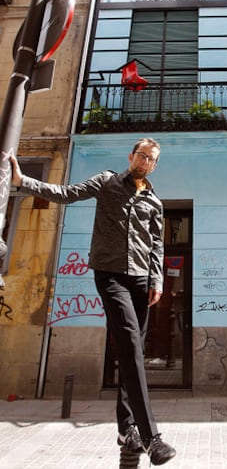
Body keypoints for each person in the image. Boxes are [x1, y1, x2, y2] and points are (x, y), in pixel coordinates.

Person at [10, 138, 176, 468]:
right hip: (110, 274)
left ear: (155, 165)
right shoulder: (107, 182)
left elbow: (157, 244)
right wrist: (22, 182)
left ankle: (126, 430)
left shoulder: (155, 202)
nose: (145, 161)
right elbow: (66, 194)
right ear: (131, 156)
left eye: (151, 159)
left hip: (141, 279)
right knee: (129, 341)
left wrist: (157, 280)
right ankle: (150, 436)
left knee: (134, 353)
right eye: (141, 155)